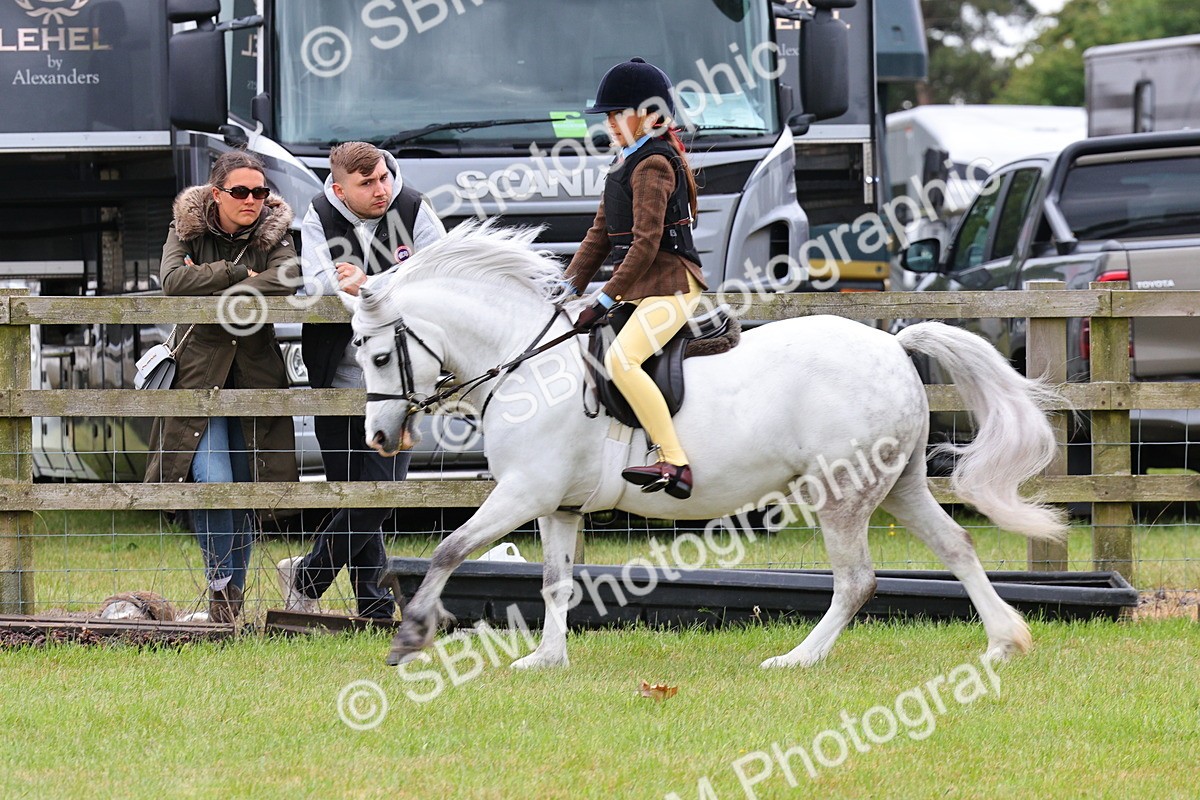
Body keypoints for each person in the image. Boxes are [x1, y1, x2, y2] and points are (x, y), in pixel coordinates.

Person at [278, 141, 445, 620]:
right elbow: (315, 282)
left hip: (397, 381)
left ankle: (307, 577)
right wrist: (343, 280)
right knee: (354, 491)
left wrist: (373, 279)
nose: (381, 189)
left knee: (380, 494)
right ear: (339, 188)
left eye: (383, 178)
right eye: (367, 183)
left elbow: (440, 274)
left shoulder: (414, 207)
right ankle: (373, 607)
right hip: (336, 375)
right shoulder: (316, 214)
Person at [145, 150, 300, 623]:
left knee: (246, 488)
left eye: (260, 192)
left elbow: (290, 277)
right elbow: (172, 280)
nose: (252, 200)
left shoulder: (275, 230)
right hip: (198, 374)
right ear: (217, 194)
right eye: (240, 192)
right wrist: (239, 273)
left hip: (255, 375)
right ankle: (221, 587)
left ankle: (229, 602)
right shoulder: (186, 227)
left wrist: (216, 289)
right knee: (213, 482)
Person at [566, 58, 708, 500]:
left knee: (622, 360)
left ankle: (675, 463)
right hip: (645, 287)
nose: (609, 123)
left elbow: (645, 245)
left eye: (616, 113)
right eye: (607, 115)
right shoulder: (624, 163)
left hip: (673, 285)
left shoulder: (653, 166)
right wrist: (566, 288)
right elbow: (598, 237)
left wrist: (604, 300)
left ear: (649, 116)